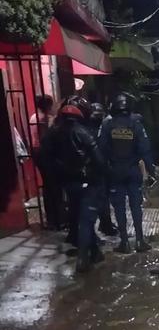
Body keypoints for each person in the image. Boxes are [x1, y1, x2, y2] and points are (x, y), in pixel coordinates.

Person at [45, 96, 108, 273]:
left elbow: (45, 157)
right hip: (87, 182)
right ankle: (83, 257)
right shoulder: (83, 132)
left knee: (78, 215)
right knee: (86, 220)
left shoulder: (53, 133)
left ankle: (94, 251)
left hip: (68, 183)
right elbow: (98, 160)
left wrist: (55, 178)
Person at [99, 93, 157, 253]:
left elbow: (101, 150)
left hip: (115, 172)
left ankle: (124, 242)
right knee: (136, 206)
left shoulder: (107, 125)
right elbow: (145, 149)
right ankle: (139, 240)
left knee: (119, 208)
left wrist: (103, 172)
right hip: (133, 171)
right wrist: (152, 171)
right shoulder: (136, 124)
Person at [30, 95, 66, 232]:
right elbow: (48, 140)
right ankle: (56, 218)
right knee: (54, 186)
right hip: (46, 154)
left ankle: (52, 218)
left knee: (47, 185)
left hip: (36, 152)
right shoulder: (45, 120)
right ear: (48, 106)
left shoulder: (34, 117)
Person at [87, 102, 120, 237]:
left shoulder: (104, 128)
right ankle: (104, 225)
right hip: (94, 169)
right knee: (100, 199)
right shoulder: (88, 130)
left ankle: (105, 224)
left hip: (102, 168)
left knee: (104, 198)